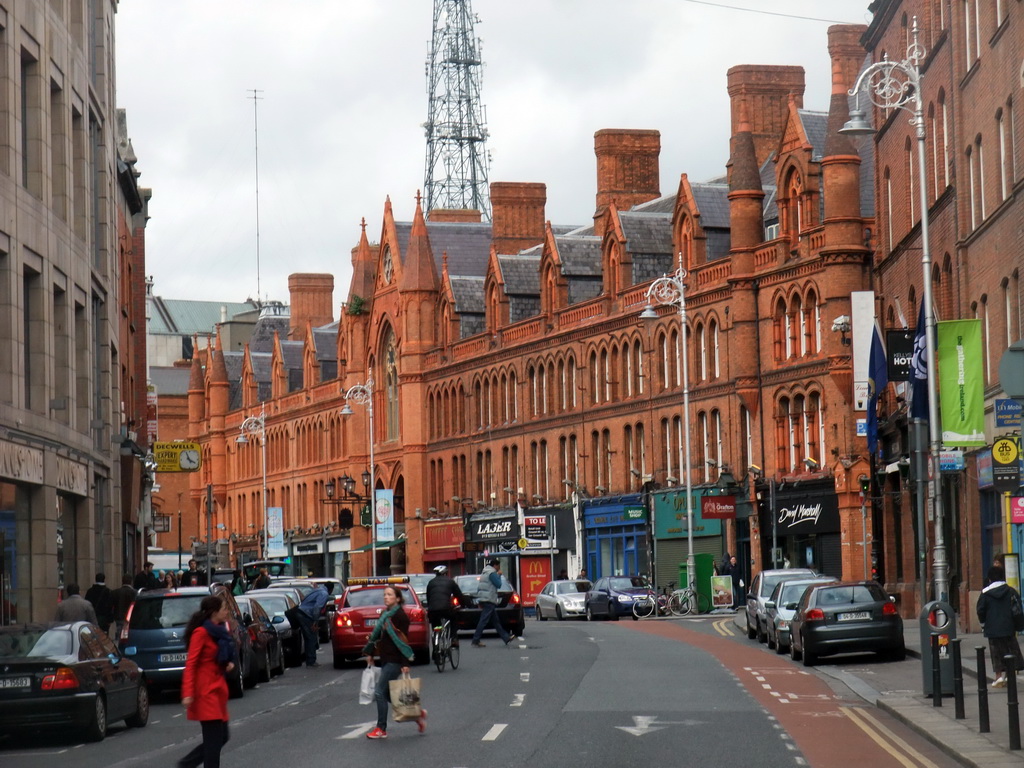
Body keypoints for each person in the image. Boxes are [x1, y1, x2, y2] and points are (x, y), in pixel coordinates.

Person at [178, 595, 236, 768]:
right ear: (214, 612)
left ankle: (186, 764)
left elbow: (220, 656)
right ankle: (186, 764)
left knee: (222, 736)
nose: (227, 612)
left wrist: (228, 663)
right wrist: (187, 693)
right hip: (205, 692)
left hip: (217, 691)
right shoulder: (201, 633)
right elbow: (191, 664)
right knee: (213, 742)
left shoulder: (219, 631)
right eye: (224, 608)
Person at [362, 585, 425, 739]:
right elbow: (378, 635)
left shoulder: (400, 616)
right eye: (385, 594)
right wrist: (370, 652)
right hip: (386, 658)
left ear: (397, 598)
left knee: (379, 692)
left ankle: (381, 729)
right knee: (389, 694)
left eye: (389, 595)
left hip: (395, 660)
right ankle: (416, 713)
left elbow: (403, 641)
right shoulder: (385, 614)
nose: (386, 597)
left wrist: (405, 663)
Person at [977, 564, 1024, 688]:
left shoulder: (985, 594)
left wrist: (983, 624)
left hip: (992, 629)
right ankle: (1010, 675)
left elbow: (980, 610)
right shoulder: (1011, 591)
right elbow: (1017, 609)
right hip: (1009, 627)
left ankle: (998, 677)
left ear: (990, 579)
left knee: (996, 652)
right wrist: (1019, 625)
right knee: (1010, 650)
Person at [471, 558, 516, 647]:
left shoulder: (484, 572)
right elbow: (498, 584)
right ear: (495, 565)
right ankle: (475, 639)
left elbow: (481, 587)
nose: (499, 568)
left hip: (484, 598)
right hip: (489, 599)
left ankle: (506, 638)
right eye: (498, 566)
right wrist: (499, 575)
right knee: (483, 620)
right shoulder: (492, 573)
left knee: (496, 621)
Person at [425, 565, 465, 647]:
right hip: (446, 609)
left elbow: (429, 597)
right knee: (453, 617)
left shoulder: (431, 582)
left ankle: (435, 648)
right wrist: (462, 604)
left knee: (436, 626)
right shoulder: (450, 581)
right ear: (446, 573)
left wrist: (430, 608)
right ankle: (453, 638)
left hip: (433, 610)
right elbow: (459, 595)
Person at [295, 582, 329, 667]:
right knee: (311, 637)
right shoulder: (324, 594)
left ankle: (309, 659)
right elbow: (317, 607)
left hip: (300, 612)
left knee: (308, 637)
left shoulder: (317, 590)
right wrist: (315, 621)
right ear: (331, 590)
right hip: (306, 615)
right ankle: (311, 661)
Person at [110, 573, 137, 639]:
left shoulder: (115, 592)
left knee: (120, 633)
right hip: (131, 618)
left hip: (119, 617)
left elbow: (111, 606)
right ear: (131, 581)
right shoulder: (134, 592)